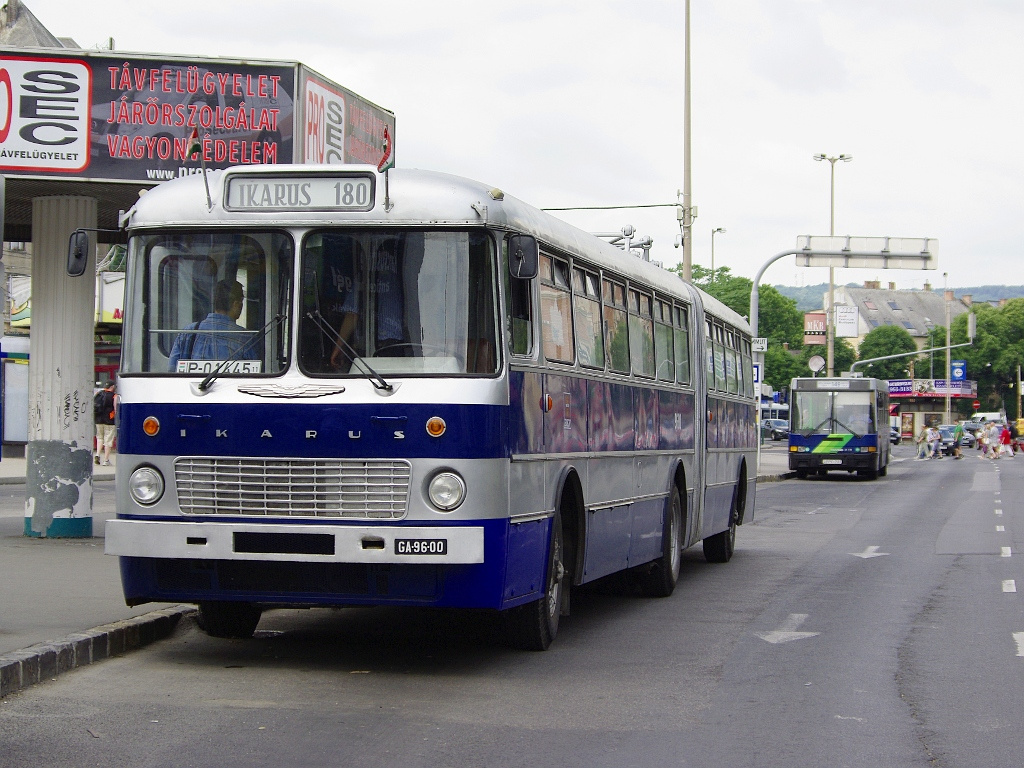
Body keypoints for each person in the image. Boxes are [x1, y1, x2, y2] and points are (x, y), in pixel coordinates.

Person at [168, 280, 257, 370]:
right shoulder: (245, 337)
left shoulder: (188, 332)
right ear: (236, 304)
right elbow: (254, 373)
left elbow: (172, 370)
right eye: (241, 301)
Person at [93, 381, 117, 466]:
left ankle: (97, 455)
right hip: (109, 421)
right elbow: (115, 408)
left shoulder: (99, 394)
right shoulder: (114, 396)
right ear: (112, 386)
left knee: (100, 438)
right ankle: (106, 460)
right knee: (108, 440)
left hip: (98, 419)